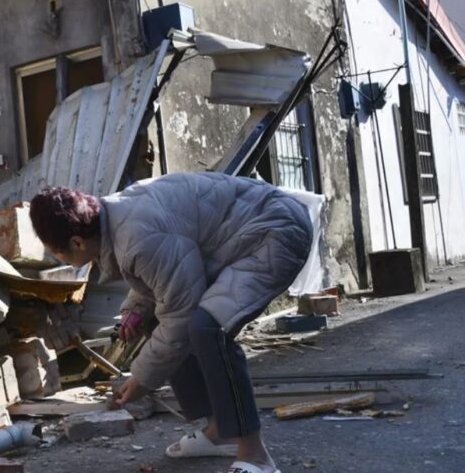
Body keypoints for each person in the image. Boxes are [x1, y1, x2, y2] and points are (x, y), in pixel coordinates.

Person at [29, 173, 312, 473]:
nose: (58, 259)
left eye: (57, 253)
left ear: (76, 241)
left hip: (275, 231)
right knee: (167, 324)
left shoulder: (136, 238)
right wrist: (135, 310)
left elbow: (181, 311)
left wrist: (142, 380)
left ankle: (256, 457)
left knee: (207, 328)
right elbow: (166, 276)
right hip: (244, 235)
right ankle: (218, 433)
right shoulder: (117, 217)